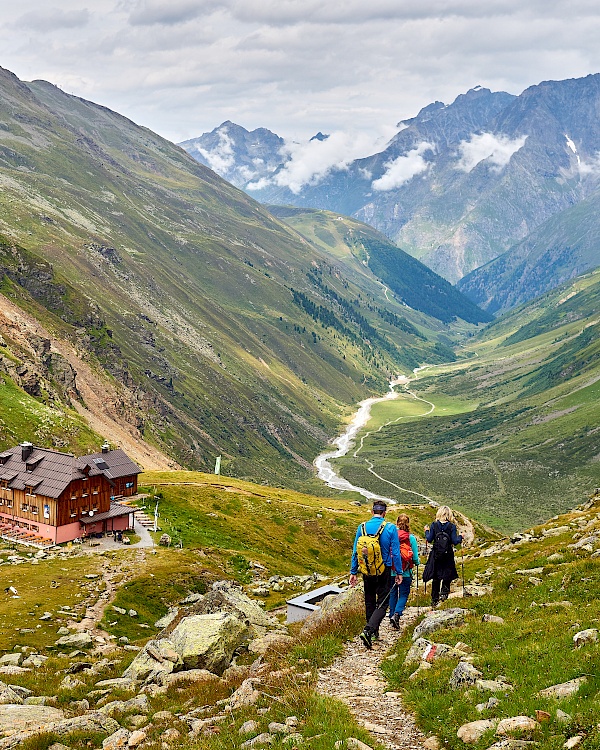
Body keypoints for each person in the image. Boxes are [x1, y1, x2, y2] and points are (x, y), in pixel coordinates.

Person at [349, 500, 402, 650]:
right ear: (384, 513)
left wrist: (353, 572)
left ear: (372, 512)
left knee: (369, 601)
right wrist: (398, 572)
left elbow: (355, 552)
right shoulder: (390, 528)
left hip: (366, 570)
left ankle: (373, 632)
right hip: (384, 569)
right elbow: (396, 553)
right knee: (383, 602)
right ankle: (369, 629)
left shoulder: (362, 527)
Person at [422, 505, 463, 608]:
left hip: (436, 554)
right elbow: (455, 541)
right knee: (447, 575)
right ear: (449, 514)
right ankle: (444, 594)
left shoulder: (434, 525)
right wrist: (460, 537)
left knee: (436, 577)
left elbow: (429, 539)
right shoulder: (452, 526)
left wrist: (426, 531)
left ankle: (434, 600)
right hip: (447, 554)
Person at [388, 514, 419, 629]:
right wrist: (417, 563)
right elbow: (415, 557)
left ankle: (391, 615)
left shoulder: (392, 536)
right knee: (404, 594)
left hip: (392, 571)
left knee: (392, 593)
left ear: (397, 523)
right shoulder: (411, 538)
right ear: (408, 524)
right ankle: (397, 614)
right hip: (405, 572)